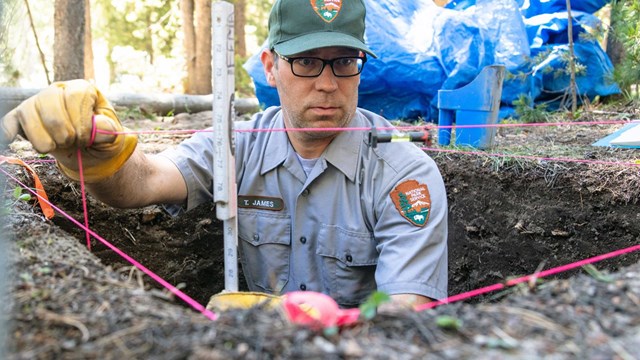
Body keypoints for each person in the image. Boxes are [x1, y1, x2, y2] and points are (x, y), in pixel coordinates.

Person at [0, 0, 447, 309]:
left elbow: (406, 315)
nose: (328, 83)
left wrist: (297, 324)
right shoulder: (237, 145)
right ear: (271, 67)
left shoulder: (403, 174)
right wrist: (103, 157)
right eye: (307, 61)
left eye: (345, 61)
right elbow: (144, 182)